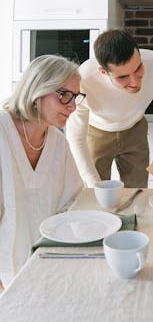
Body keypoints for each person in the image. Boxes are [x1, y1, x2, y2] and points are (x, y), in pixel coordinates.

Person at [0, 55, 84, 290]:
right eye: (64, 95)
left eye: (76, 97)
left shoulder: (59, 142)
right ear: (38, 88)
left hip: (45, 265)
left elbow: (73, 202)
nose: (73, 105)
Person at [66, 29, 153, 188]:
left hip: (135, 129)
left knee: (137, 189)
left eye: (138, 69)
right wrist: (92, 184)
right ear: (103, 72)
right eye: (123, 77)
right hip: (96, 132)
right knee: (96, 192)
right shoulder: (83, 79)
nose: (134, 82)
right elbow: (75, 135)